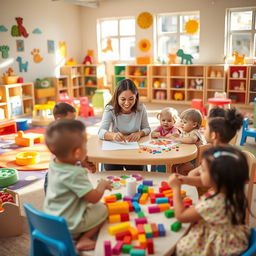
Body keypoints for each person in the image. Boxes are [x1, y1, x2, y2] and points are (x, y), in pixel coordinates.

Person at [44, 119, 112, 251]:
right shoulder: (75, 174)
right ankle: (84, 239)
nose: (87, 148)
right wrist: (102, 186)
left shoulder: (53, 162)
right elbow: (93, 198)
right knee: (103, 209)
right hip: (70, 223)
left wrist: (81, 161)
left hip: (52, 218)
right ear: (77, 153)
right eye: (85, 145)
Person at [169, 146, 250, 255]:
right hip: (232, 234)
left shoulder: (213, 202)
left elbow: (181, 216)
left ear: (216, 178)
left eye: (203, 170)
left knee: (179, 248)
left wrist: (176, 188)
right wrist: (186, 180)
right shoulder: (232, 189)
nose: (200, 172)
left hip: (219, 245)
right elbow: (204, 181)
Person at [181, 107, 243, 187]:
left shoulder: (214, 156)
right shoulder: (232, 152)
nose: (203, 131)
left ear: (214, 135)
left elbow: (206, 180)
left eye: (206, 128)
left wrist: (187, 179)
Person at [98, 79, 151, 171]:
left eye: (131, 99)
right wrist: (113, 135)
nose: (127, 103)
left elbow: (147, 128)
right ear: (117, 97)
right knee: (112, 171)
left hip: (134, 149)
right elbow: (101, 132)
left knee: (136, 171)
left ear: (136, 97)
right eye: (123, 99)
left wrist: (139, 133)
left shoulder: (141, 108)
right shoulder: (110, 109)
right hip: (115, 149)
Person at [44, 102, 96, 194]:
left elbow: (73, 156)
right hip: (58, 177)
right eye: (71, 120)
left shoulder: (68, 134)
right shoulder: (59, 139)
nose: (74, 124)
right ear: (59, 119)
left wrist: (83, 161)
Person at [168, 108, 206, 175]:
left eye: (185, 122)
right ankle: (174, 179)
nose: (182, 124)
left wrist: (177, 139)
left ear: (194, 125)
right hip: (188, 156)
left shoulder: (195, 132)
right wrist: (177, 135)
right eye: (181, 121)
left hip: (195, 160)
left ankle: (185, 181)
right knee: (173, 166)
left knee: (181, 168)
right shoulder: (185, 131)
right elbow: (183, 137)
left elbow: (191, 140)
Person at [151, 107, 180, 172]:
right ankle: (153, 172)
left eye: (169, 121)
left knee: (165, 163)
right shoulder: (160, 128)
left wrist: (172, 135)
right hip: (160, 148)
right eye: (163, 120)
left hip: (170, 150)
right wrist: (155, 134)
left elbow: (177, 134)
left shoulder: (174, 129)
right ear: (160, 120)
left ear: (174, 121)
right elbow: (152, 133)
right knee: (154, 159)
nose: (166, 123)